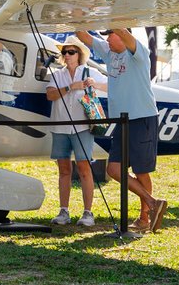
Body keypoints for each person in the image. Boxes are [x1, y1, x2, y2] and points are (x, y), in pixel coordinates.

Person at [76, 27, 168, 232]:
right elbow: (83, 35)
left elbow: (126, 34)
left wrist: (117, 16)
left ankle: (144, 218)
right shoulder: (109, 52)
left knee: (141, 170)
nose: (107, 39)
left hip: (142, 117)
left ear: (124, 36)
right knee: (113, 169)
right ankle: (153, 203)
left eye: (111, 35)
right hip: (122, 121)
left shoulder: (138, 52)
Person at [46, 35, 106, 227]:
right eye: (65, 52)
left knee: (84, 169)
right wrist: (71, 87)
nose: (67, 55)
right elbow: (50, 95)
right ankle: (64, 211)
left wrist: (93, 84)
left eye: (71, 51)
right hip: (60, 126)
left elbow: (109, 86)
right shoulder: (57, 75)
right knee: (64, 170)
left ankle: (88, 213)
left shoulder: (90, 72)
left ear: (79, 54)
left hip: (82, 127)